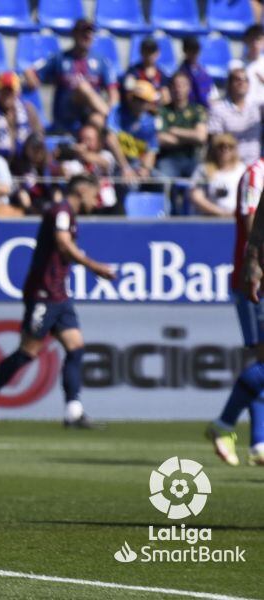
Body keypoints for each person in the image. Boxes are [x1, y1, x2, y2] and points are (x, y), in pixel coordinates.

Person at [0, 174, 116, 429]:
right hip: (43, 293)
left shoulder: (67, 213)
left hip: (59, 294)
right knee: (28, 352)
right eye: (94, 194)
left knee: (76, 346)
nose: (97, 200)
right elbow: (62, 243)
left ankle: (73, 411)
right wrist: (94, 266)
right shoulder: (61, 211)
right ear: (81, 190)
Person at [206, 155, 264, 466]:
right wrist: (253, 265)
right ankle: (241, 433)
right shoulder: (256, 173)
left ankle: (251, 439)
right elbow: (252, 220)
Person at [24, 19, 119, 136]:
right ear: (74, 34)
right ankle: (113, 120)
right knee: (83, 87)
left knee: (98, 122)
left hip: (89, 117)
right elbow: (31, 72)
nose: (87, 35)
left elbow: (113, 94)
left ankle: (111, 125)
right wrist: (31, 82)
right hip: (66, 116)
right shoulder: (60, 58)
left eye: (90, 32)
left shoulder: (101, 62)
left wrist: (111, 106)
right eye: (83, 32)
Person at [0, 71, 43, 161]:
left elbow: (39, 135)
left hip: (24, 163)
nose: (7, 95)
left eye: (10, 90)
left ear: (17, 92)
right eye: (4, 90)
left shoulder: (29, 110)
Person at [106, 79, 159, 184]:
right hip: (117, 160)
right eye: (137, 99)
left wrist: (145, 169)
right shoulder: (118, 111)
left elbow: (152, 149)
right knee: (130, 184)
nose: (139, 103)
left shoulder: (150, 121)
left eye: (143, 101)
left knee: (160, 181)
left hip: (137, 161)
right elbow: (110, 139)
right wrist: (125, 168)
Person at [208, 67, 263, 167]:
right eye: (237, 79)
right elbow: (215, 140)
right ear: (229, 85)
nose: (241, 83)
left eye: (245, 80)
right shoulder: (218, 109)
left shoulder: (257, 108)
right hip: (229, 166)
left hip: (255, 165)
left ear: (249, 85)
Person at [189, 133, 246, 217]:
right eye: (221, 146)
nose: (225, 150)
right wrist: (221, 213)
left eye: (229, 146)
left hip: (237, 218)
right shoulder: (203, 169)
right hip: (211, 219)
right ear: (214, 149)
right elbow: (196, 197)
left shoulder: (242, 169)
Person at [123, 37, 171, 106]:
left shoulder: (161, 74)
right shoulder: (133, 71)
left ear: (158, 53)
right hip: (138, 110)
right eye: (147, 51)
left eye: (152, 51)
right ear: (141, 52)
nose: (149, 55)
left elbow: (166, 98)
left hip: (155, 110)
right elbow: (129, 92)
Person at [177, 37, 217, 109]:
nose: (194, 54)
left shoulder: (203, 71)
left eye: (196, 51)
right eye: (191, 50)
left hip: (206, 108)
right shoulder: (181, 72)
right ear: (185, 51)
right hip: (189, 109)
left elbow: (212, 92)